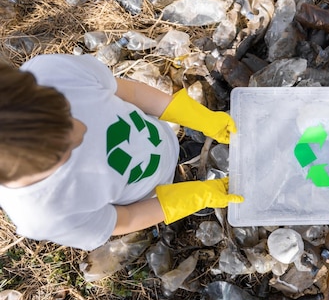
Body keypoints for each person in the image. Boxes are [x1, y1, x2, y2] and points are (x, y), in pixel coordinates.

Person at [0, 54, 243, 251]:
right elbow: (124, 218)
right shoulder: (44, 214)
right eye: (64, 149)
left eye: (66, 113)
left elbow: (132, 94)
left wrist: (198, 118)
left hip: (157, 136)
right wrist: (190, 199)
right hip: (148, 197)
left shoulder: (53, 73)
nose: (81, 130)